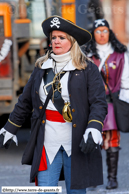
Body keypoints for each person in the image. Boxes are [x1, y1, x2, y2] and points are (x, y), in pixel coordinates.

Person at [0, 16, 107, 194]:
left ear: (72, 41)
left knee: (76, 192)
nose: (56, 41)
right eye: (54, 37)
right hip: (47, 140)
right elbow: (25, 101)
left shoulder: (87, 68)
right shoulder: (41, 67)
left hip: (77, 140)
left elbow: (98, 102)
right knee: (45, 190)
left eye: (62, 37)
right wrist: (10, 127)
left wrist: (94, 127)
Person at [85, 18, 129, 190]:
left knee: (112, 141)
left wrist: (124, 104)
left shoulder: (121, 54)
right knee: (93, 141)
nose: (102, 35)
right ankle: (94, 179)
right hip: (91, 104)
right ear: (93, 34)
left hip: (111, 104)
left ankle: (112, 178)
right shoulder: (86, 54)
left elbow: (126, 81)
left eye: (105, 31)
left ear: (109, 32)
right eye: (98, 31)